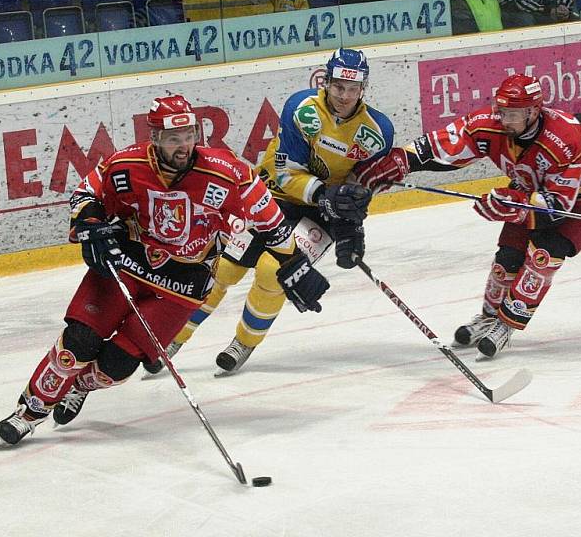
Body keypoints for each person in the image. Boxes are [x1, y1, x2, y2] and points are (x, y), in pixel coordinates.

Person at [0, 95, 329, 446]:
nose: (184, 145)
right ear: (155, 138)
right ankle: (28, 413)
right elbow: (85, 194)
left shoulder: (227, 172)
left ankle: (76, 388)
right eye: (174, 138)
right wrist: (90, 223)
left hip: (184, 282)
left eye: (189, 135)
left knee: (118, 364)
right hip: (125, 262)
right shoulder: (125, 164)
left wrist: (293, 262)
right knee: (79, 342)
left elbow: (271, 221)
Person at [142, 48, 395, 377]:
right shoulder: (302, 109)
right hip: (272, 197)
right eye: (337, 87)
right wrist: (327, 193)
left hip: (322, 213)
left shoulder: (378, 131)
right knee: (224, 271)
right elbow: (288, 175)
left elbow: (360, 189)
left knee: (271, 273)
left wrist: (351, 228)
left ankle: (244, 341)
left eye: (352, 89)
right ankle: (174, 337)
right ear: (326, 82)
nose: (344, 96)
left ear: (363, 88)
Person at [353, 74, 581, 360]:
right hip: (527, 192)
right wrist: (404, 159)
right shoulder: (491, 124)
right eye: (501, 111)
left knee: (544, 254)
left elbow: (558, 206)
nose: (504, 119)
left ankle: (506, 325)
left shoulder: (564, 137)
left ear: (533, 111)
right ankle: (488, 318)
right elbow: (445, 145)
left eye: (512, 114)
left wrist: (514, 205)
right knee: (507, 260)